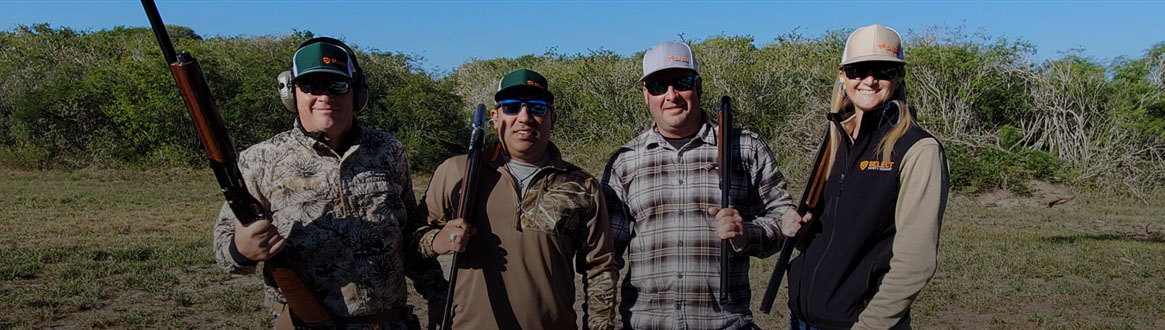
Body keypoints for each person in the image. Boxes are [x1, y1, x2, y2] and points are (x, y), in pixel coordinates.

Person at [211, 37, 447, 330]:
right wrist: (240, 249)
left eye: (337, 85)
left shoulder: (388, 150)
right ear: (291, 92)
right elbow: (223, 249)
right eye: (311, 86)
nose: (325, 96)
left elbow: (409, 232)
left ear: (356, 92)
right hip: (302, 323)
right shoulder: (259, 160)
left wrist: (439, 297)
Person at [601, 41, 800, 329]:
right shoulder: (625, 161)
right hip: (646, 323)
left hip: (725, 323)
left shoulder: (745, 147)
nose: (671, 95)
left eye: (681, 82)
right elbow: (606, 254)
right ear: (646, 95)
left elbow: (784, 219)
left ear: (699, 86)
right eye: (658, 85)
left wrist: (746, 233)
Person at [418, 69, 619, 330]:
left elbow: (600, 268)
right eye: (512, 107)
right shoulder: (457, 172)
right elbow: (410, 241)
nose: (524, 118)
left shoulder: (581, 185)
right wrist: (435, 242)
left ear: (552, 118)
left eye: (537, 107)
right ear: (495, 118)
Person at [781, 24, 950, 330]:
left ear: (898, 77)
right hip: (803, 318)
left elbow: (916, 263)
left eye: (884, 69)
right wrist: (797, 226)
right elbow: (823, 234)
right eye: (859, 69)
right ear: (843, 76)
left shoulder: (919, 149)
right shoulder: (836, 137)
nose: (870, 79)